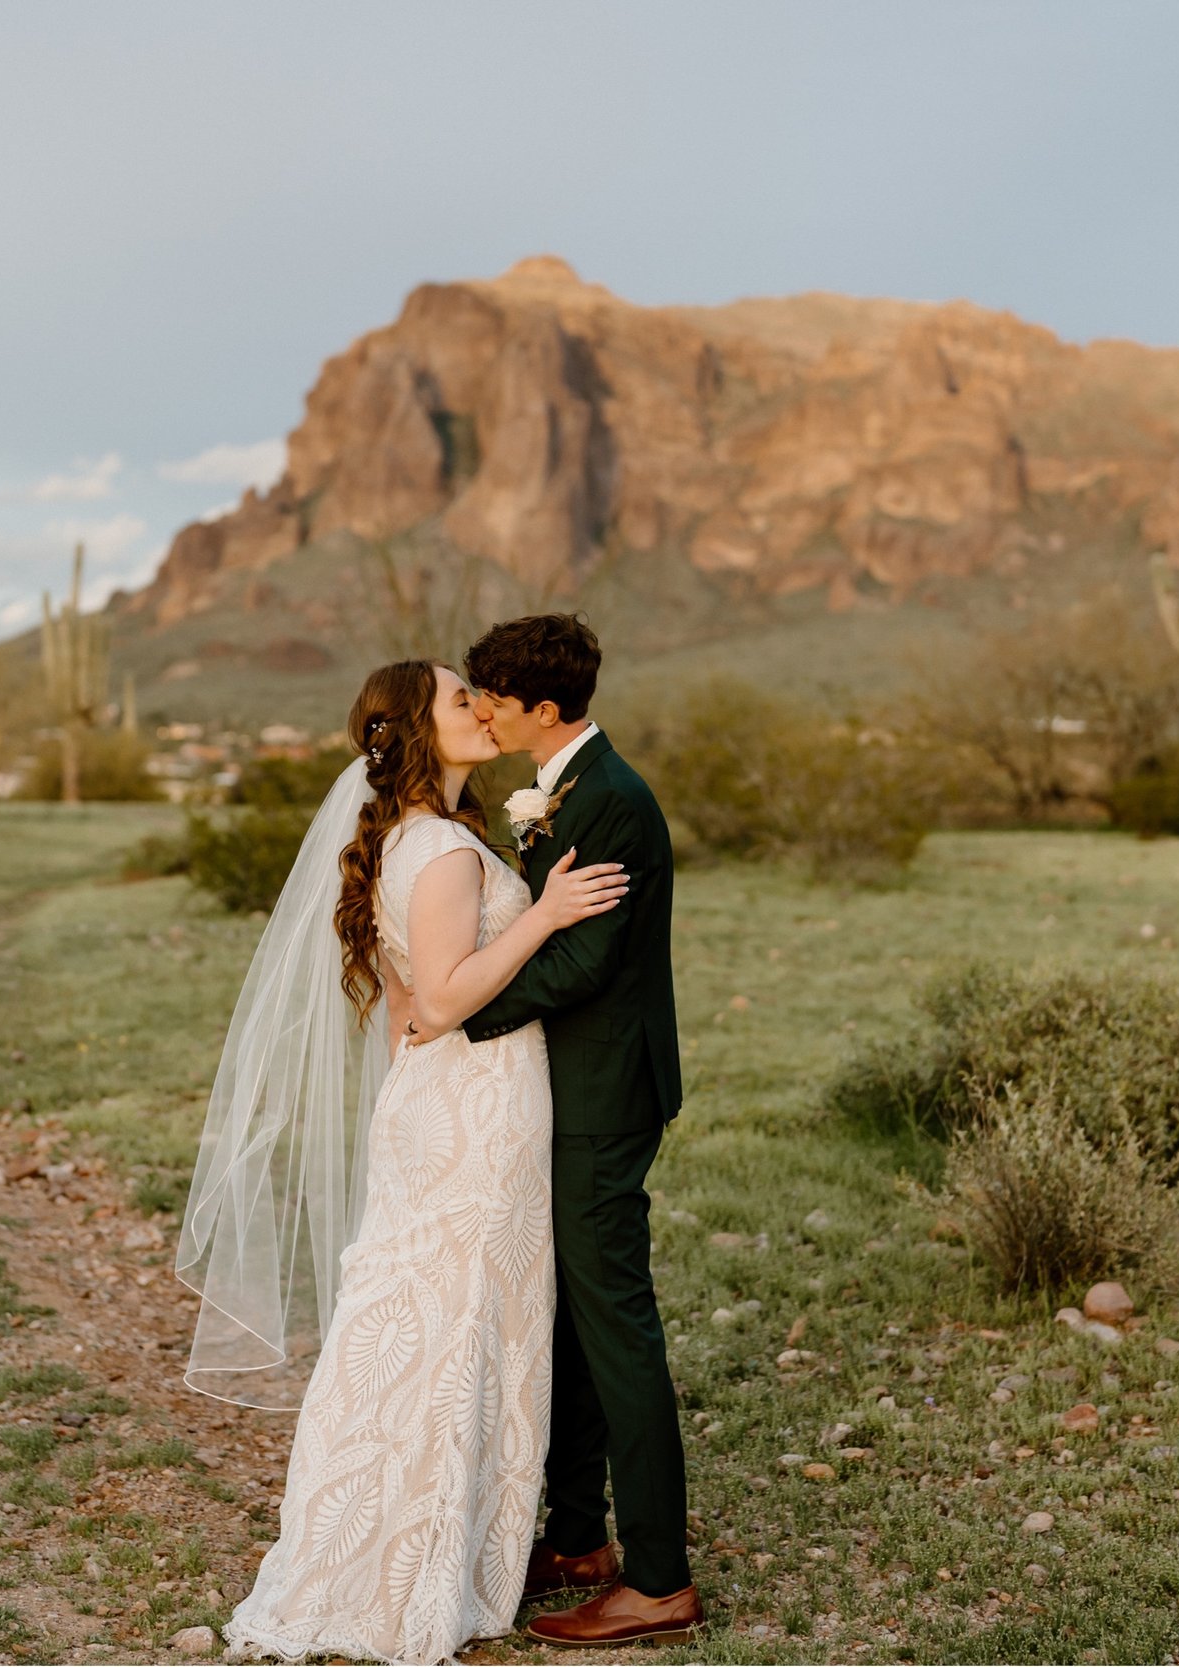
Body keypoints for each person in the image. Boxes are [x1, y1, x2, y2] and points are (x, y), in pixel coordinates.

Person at [175, 657, 629, 1664]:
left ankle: (405, 1537)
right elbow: (442, 997)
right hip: (477, 1103)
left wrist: (410, 1103)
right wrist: (549, 914)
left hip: (440, 1101)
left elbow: (399, 1009)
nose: (481, 707)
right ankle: (404, 1565)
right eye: (459, 698)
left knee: (430, 1314)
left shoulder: (426, 838)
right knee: (455, 1318)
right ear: (420, 731)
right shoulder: (443, 851)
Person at [438, 613, 700, 1649]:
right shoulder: (566, 787)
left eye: (493, 696)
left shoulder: (613, 799)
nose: (482, 709)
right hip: (567, 1086)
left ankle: (659, 1577)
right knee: (570, 1320)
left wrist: (463, 1008)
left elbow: (586, 961)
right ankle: (580, 1535)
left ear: (544, 708)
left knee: (617, 1328)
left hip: (601, 1094)